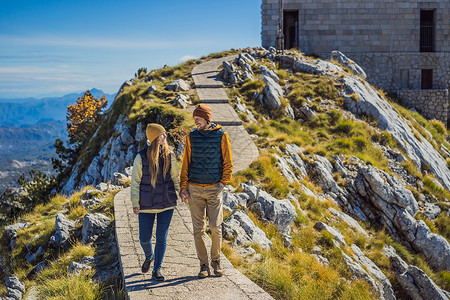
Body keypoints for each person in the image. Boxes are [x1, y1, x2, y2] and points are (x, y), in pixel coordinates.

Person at [180, 104, 233, 278]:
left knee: (216, 227)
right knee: (198, 230)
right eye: (194, 118)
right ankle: (203, 265)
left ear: (207, 119)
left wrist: (222, 184)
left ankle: (216, 261)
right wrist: (183, 187)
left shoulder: (222, 136)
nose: (195, 121)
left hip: (214, 190)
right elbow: (185, 163)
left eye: (198, 118)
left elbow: (228, 163)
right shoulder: (191, 137)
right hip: (194, 190)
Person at [130, 123, 179, 281]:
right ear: (153, 138)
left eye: (164, 134)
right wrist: (135, 202)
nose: (165, 136)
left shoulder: (170, 155)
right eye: (161, 135)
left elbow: (175, 178)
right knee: (144, 238)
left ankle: (156, 269)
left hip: (167, 202)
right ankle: (149, 256)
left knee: (161, 237)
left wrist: (183, 192)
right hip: (146, 204)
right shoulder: (141, 157)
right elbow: (135, 182)